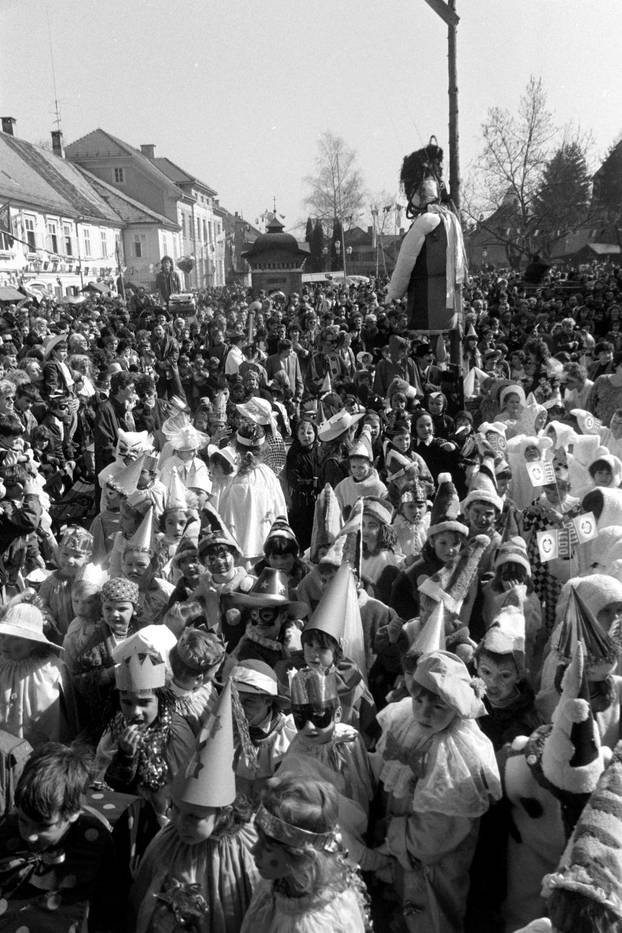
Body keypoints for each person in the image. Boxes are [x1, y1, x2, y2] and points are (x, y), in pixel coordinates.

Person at [374, 649, 501, 933]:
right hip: (400, 846)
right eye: (418, 700)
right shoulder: (407, 720)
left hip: (433, 864)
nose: (424, 712)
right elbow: (392, 779)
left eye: (439, 706)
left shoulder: (459, 753)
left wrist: (395, 839)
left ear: (456, 709)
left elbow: (441, 830)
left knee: (431, 918)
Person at [130, 679, 259, 933]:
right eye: (175, 810)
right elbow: (143, 897)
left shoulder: (244, 850)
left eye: (194, 817)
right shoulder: (167, 842)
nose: (179, 823)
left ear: (222, 814)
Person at [0, 741, 128, 932]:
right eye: (23, 821)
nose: (29, 836)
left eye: (44, 826)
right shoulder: (8, 828)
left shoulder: (94, 845)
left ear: (73, 812)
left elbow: (110, 908)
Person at [240, 773, 371, 933]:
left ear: (303, 858)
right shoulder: (278, 883)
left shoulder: (309, 927)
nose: (253, 850)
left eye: (267, 848)